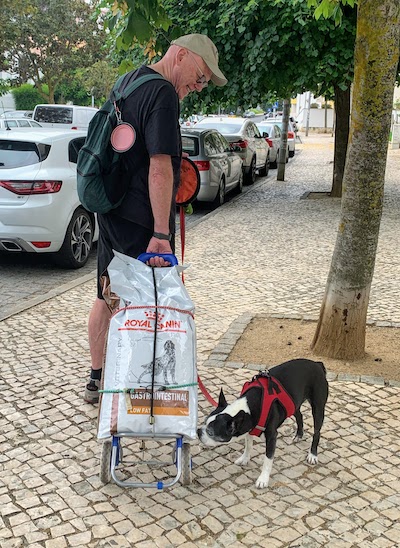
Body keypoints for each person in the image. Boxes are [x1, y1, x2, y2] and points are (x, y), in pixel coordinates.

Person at [84, 34, 227, 403]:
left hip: (112, 210)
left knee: (106, 293)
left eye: (205, 82)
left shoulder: (130, 81)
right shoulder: (162, 94)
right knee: (154, 301)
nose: (198, 86)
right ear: (180, 55)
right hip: (141, 221)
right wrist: (161, 232)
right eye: (199, 75)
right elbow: (160, 169)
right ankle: (141, 384)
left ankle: (97, 379)